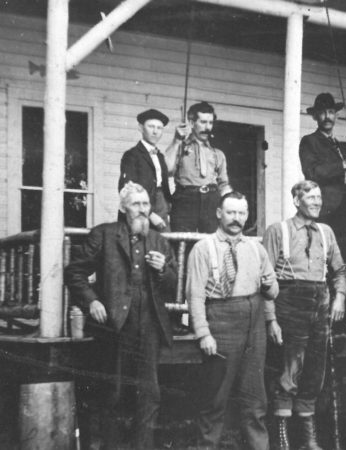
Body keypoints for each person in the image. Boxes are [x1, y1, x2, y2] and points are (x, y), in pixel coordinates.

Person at [65, 182, 177, 449]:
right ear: (122, 207)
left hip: (150, 325)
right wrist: (92, 301)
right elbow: (75, 273)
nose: (142, 210)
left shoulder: (159, 241)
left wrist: (163, 270)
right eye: (136, 204)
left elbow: (173, 287)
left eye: (146, 204)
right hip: (115, 326)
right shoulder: (104, 235)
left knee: (149, 395)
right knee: (112, 393)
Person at [186, 191, 279, 450]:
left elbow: (272, 291)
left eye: (241, 213)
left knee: (255, 399)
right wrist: (203, 333)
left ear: (246, 215)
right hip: (221, 321)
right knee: (215, 400)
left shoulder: (256, 248)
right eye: (230, 212)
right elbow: (194, 296)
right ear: (219, 213)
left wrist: (270, 286)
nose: (236, 218)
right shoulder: (203, 249)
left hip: (254, 322)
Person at [262, 180, 346, 450]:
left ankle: (308, 440)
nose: (317, 202)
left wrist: (340, 297)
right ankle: (283, 439)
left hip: (320, 303)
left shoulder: (326, 232)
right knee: (289, 370)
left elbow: (340, 271)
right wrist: (270, 318)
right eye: (310, 198)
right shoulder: (279, 231)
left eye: (319, 197)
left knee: (314, 371)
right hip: (289, 301)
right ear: (296, 201)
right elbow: (264, 278)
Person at [299, 93, 346, 245]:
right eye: (322, 113)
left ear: (336, 116)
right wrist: (343, 164)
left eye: (331, 112)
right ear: (315, 117)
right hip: (325, 210)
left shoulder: (338, 145)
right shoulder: (309, 141)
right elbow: (312, 173)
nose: (327, 117)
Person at [165, 101, 231, 232]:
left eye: (210, 123)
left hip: (211, 201)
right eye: (203, 122)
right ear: (191, 122)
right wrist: (176, 140)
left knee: (210, 244)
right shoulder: (179, 147)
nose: (208, 127)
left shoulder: (217, 153)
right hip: (185, 201)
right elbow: (168, 170)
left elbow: (223, 185)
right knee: (182, 245)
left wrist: (231, 203)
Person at [119, 108, 172, 231]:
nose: (155, 132)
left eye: (159, 128)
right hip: (140, 207)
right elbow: (126, 189)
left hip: (161, 205)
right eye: (151, 127)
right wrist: (150, 214)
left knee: (162, 244)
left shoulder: (160, 156)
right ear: (141, 128)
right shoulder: (132, 155)